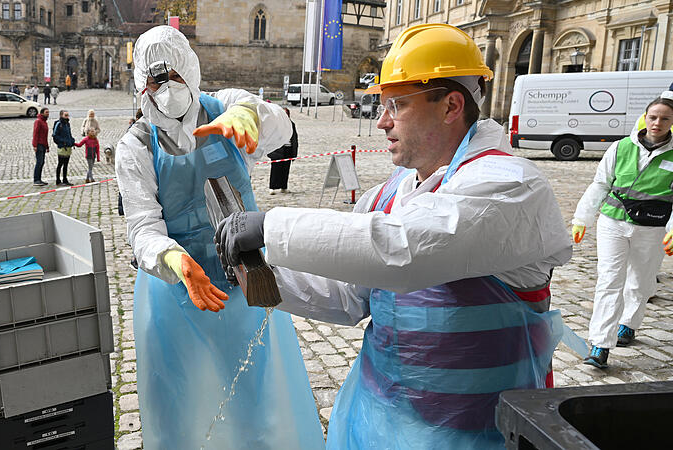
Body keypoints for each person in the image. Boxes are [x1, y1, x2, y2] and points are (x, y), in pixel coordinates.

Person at [216, 23, 580, 449]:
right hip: (379, 421)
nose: (381, 122)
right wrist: (251, 275)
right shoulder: (391, 191)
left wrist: (270, 226)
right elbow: (348, 294)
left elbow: (403, 250)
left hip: (480, 435)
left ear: (451, 105)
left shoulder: (511, 185)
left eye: (397, 105)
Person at [114, 26, 323, 450]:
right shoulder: (135, 146)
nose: (165, 89)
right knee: (175, 394)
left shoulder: (225, 107)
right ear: (141, 85)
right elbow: (142, 224)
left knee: (251, 388)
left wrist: (253, 115)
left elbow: (281, 129)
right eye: (154, 81)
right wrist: (173, 260)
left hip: (244, 279)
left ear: (189, 71)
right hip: (177, 289)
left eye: (171, 76)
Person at [571, 96, 673, 369]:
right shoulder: (620, 147)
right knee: (609, 280)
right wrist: (582, 216)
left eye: (665, 118)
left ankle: (629, 323)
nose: (657, 123)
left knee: (640, 280)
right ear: (644, 117)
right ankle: (600, 345)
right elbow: (600, 184)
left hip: (651, 228)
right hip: (613, 222)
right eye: (653, 117)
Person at [267, 107, 297, 194]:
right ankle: (272, 187)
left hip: (288, 149)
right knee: (275, 169)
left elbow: (295, 138)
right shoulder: (275, 124)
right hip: (277, 149)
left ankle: (284, 186)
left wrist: (294, 152)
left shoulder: (292, 124)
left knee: (286, 169)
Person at [52, 110, 75, 186]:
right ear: (61, 115)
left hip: (68, 146)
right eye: (65, 115)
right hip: (62, 147)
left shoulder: (67, 124)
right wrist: (62, 142)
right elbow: (55, 136)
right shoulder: (59, 124)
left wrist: (72, 140)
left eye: (68, 115)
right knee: (60, 164)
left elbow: (69, 134)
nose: (67, 117)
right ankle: (58, 180)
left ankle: (65, 179)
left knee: (66, 165)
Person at [31, 107, 50, 186]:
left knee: (42, 162)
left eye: (48, 112)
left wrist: (47, 146)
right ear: (42, 113)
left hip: (43, 144)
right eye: (46, 112)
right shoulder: (38, 121)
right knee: (39, 162)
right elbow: (35, 133)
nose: (48, 114)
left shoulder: (44, 122)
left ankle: (39, 179)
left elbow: (45, 136)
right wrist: (35, 145)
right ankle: (36, 179)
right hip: (38, 144)